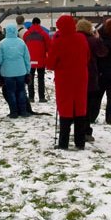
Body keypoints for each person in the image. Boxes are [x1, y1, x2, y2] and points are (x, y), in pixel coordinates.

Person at [46, 14, 90, 150]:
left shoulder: (58, 41)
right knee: (80, 107)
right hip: (81, 77)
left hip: (64, 79)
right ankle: (80, 142)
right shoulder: (81, 38)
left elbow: (51, 64)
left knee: (65, 108)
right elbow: (87, 56)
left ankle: (63, 143)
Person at [0, 24, 32, 118]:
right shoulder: (21, 42)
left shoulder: (2, 43)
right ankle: (23, 111)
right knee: (21, 91)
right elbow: (27, 58)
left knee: (10, 92)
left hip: (7, 72)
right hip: (21, 71)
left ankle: (14, 112)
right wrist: (28, 70)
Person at [22, 17, 51, 104]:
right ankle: (41, 97)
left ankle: (31, 97)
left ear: (32, 23)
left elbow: (24, 46)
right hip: (41, 60)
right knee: (41, 78)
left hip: (30, 60)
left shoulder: (26, 34)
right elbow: (48, 47)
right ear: (39, 23)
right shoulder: (44, 34)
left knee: (30, 78)